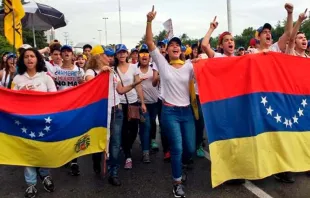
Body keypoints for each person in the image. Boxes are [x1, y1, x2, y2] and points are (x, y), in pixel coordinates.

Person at [145, 6, 196, 198]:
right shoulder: (162, 65)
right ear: (166, 50)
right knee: (177, 147)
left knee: (190, 149)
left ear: (181, 49)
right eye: (171, 44)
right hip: (170, 112)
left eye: (178, 45)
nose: (175, 46)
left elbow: (208, 67)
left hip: (187, 112)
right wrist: (149, 21)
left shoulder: (189, 66)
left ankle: (181, 167)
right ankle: (176, 182)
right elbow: (149, 42)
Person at [85, 45, 145, 185]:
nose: (110, 58)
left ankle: (114, 172)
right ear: (98, 56)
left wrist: (134, 84)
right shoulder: (91, 71)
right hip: (99, 112)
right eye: (107, 55)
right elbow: (89, 84)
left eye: (111, 56)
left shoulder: (113, 72)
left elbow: (120, 90)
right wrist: (101, 74)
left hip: (116, 110)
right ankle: (96, 160)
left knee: (116, 142)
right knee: (100, 141)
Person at [12, 48, 56, 198]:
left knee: (43, 149)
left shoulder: (46, 77)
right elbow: (10, 100)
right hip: (24, 122)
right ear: (22, 60)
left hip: (43, 121)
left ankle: (45, 175)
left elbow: (55, 98)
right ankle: (31, 184)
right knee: (27, 152)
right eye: (26, 57)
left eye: (32, 56)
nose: (29, 59)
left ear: (37, 59)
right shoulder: (17, 79)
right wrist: (21, 93)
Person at [114, 44, 147, 170]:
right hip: (120, 103)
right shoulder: (114, 69)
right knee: (122, 130)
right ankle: (128, 156)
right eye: (119, 53)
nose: (122, 55)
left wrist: (142, 102)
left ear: (127, 54)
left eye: (123, 52)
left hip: (133, 102)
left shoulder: (133, 67)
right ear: (116, 55)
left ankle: (127, 145)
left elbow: (138, 85)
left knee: (133, 129)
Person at [136, 44, 159, 163]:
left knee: (150, 125)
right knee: (146, 126)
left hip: (154, 103)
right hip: (141, 104)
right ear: (138, 56)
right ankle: (145, 152)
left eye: (146, 53)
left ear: (149, 56)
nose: (144, 55)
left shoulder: (154, 68)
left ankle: (148, 141)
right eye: (142, 53)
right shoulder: (135, 69)